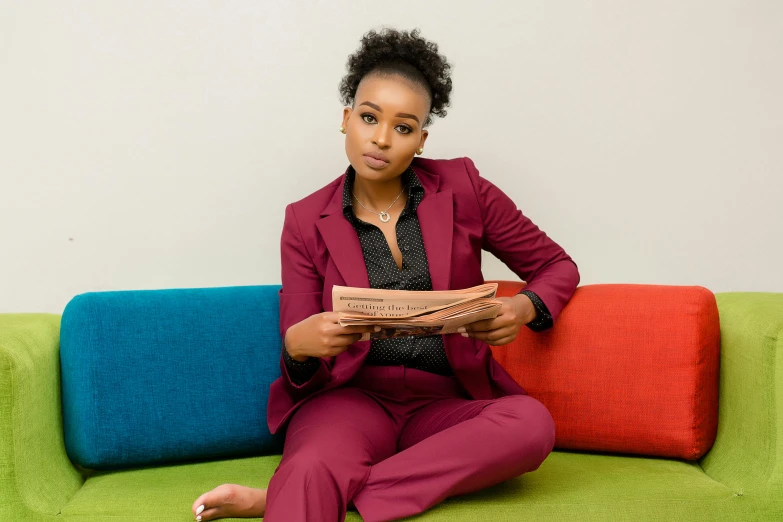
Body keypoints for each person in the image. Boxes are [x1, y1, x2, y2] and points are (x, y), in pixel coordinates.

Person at [192, 27, 579, 522]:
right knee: (312, 464)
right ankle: (311, 486)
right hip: (350, 400)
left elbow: (555, 265)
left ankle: (291, 497)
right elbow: (296, 345)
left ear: (420, 139)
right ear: (346, 119)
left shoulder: (465, 188)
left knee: (530, 424)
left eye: (402, 127)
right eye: (370, 118)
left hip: (444, 403)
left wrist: (522, 308)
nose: (380, 139)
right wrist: (301, 343)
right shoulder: (305, 219)